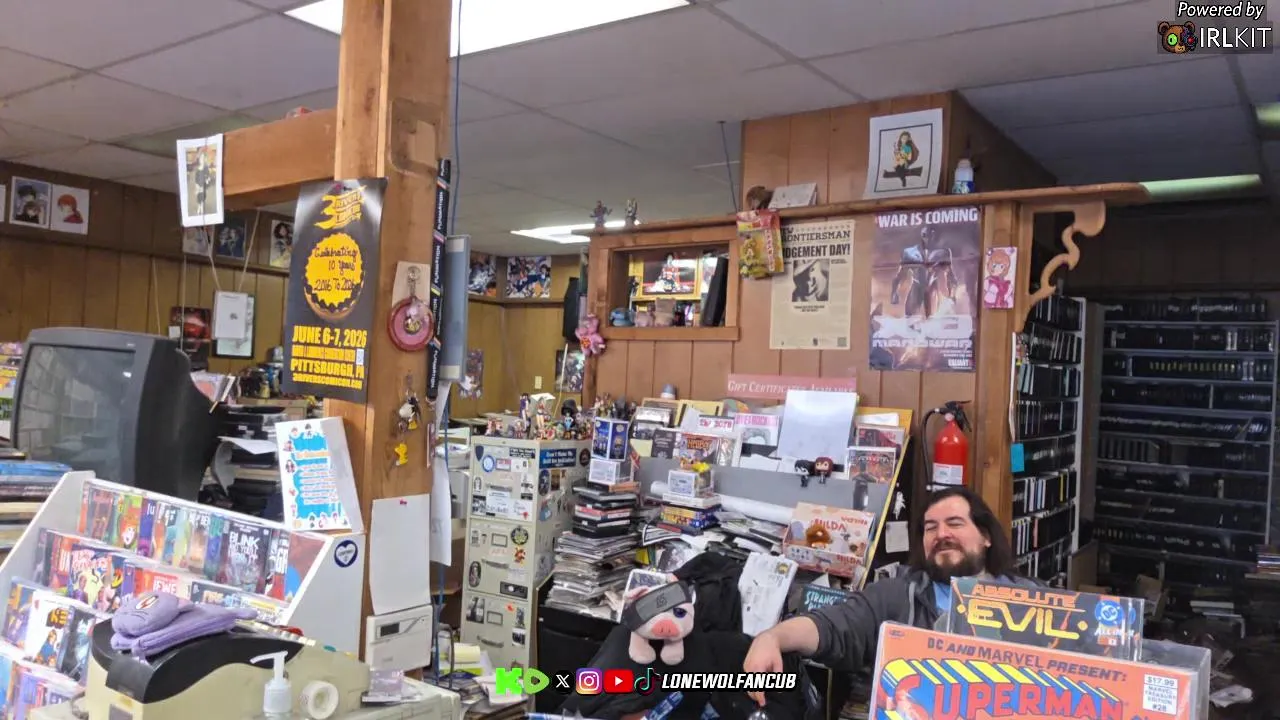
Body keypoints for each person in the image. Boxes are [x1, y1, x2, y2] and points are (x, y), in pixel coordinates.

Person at [742, 486, 1036, 704]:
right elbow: (831, 625)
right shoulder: (896, 595)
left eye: (955, 523)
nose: (941, 534)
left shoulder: (1035, 603)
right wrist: (772, 638)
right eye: (930, 528)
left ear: (986, 536)